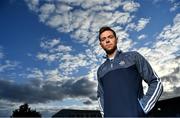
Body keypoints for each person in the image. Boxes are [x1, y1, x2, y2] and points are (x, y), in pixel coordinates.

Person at [97, 26, 163, 117]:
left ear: (116, 39)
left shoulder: (133, 57)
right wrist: (104, 114)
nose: (107, 40)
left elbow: (155, 82)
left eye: (110, 37)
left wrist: (143, 108)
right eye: (103, 39)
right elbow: (101, 95)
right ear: (101, 44)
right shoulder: (101, 70)